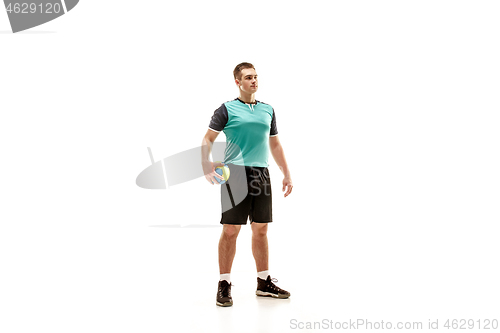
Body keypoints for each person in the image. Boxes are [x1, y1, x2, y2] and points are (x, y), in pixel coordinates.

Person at [201, 62, 293, 307]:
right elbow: (208, 138)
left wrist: (286, 173)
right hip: (236, 174)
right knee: (231, 230)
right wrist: (205, 163)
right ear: (238, 82)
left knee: (261, 229)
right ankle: (224, 283)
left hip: (262, 173)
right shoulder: (226, 109)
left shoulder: (268, 110)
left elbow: (275, 144)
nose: (254, 81)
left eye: (256, 77)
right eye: (248, 77)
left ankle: (263, 282)